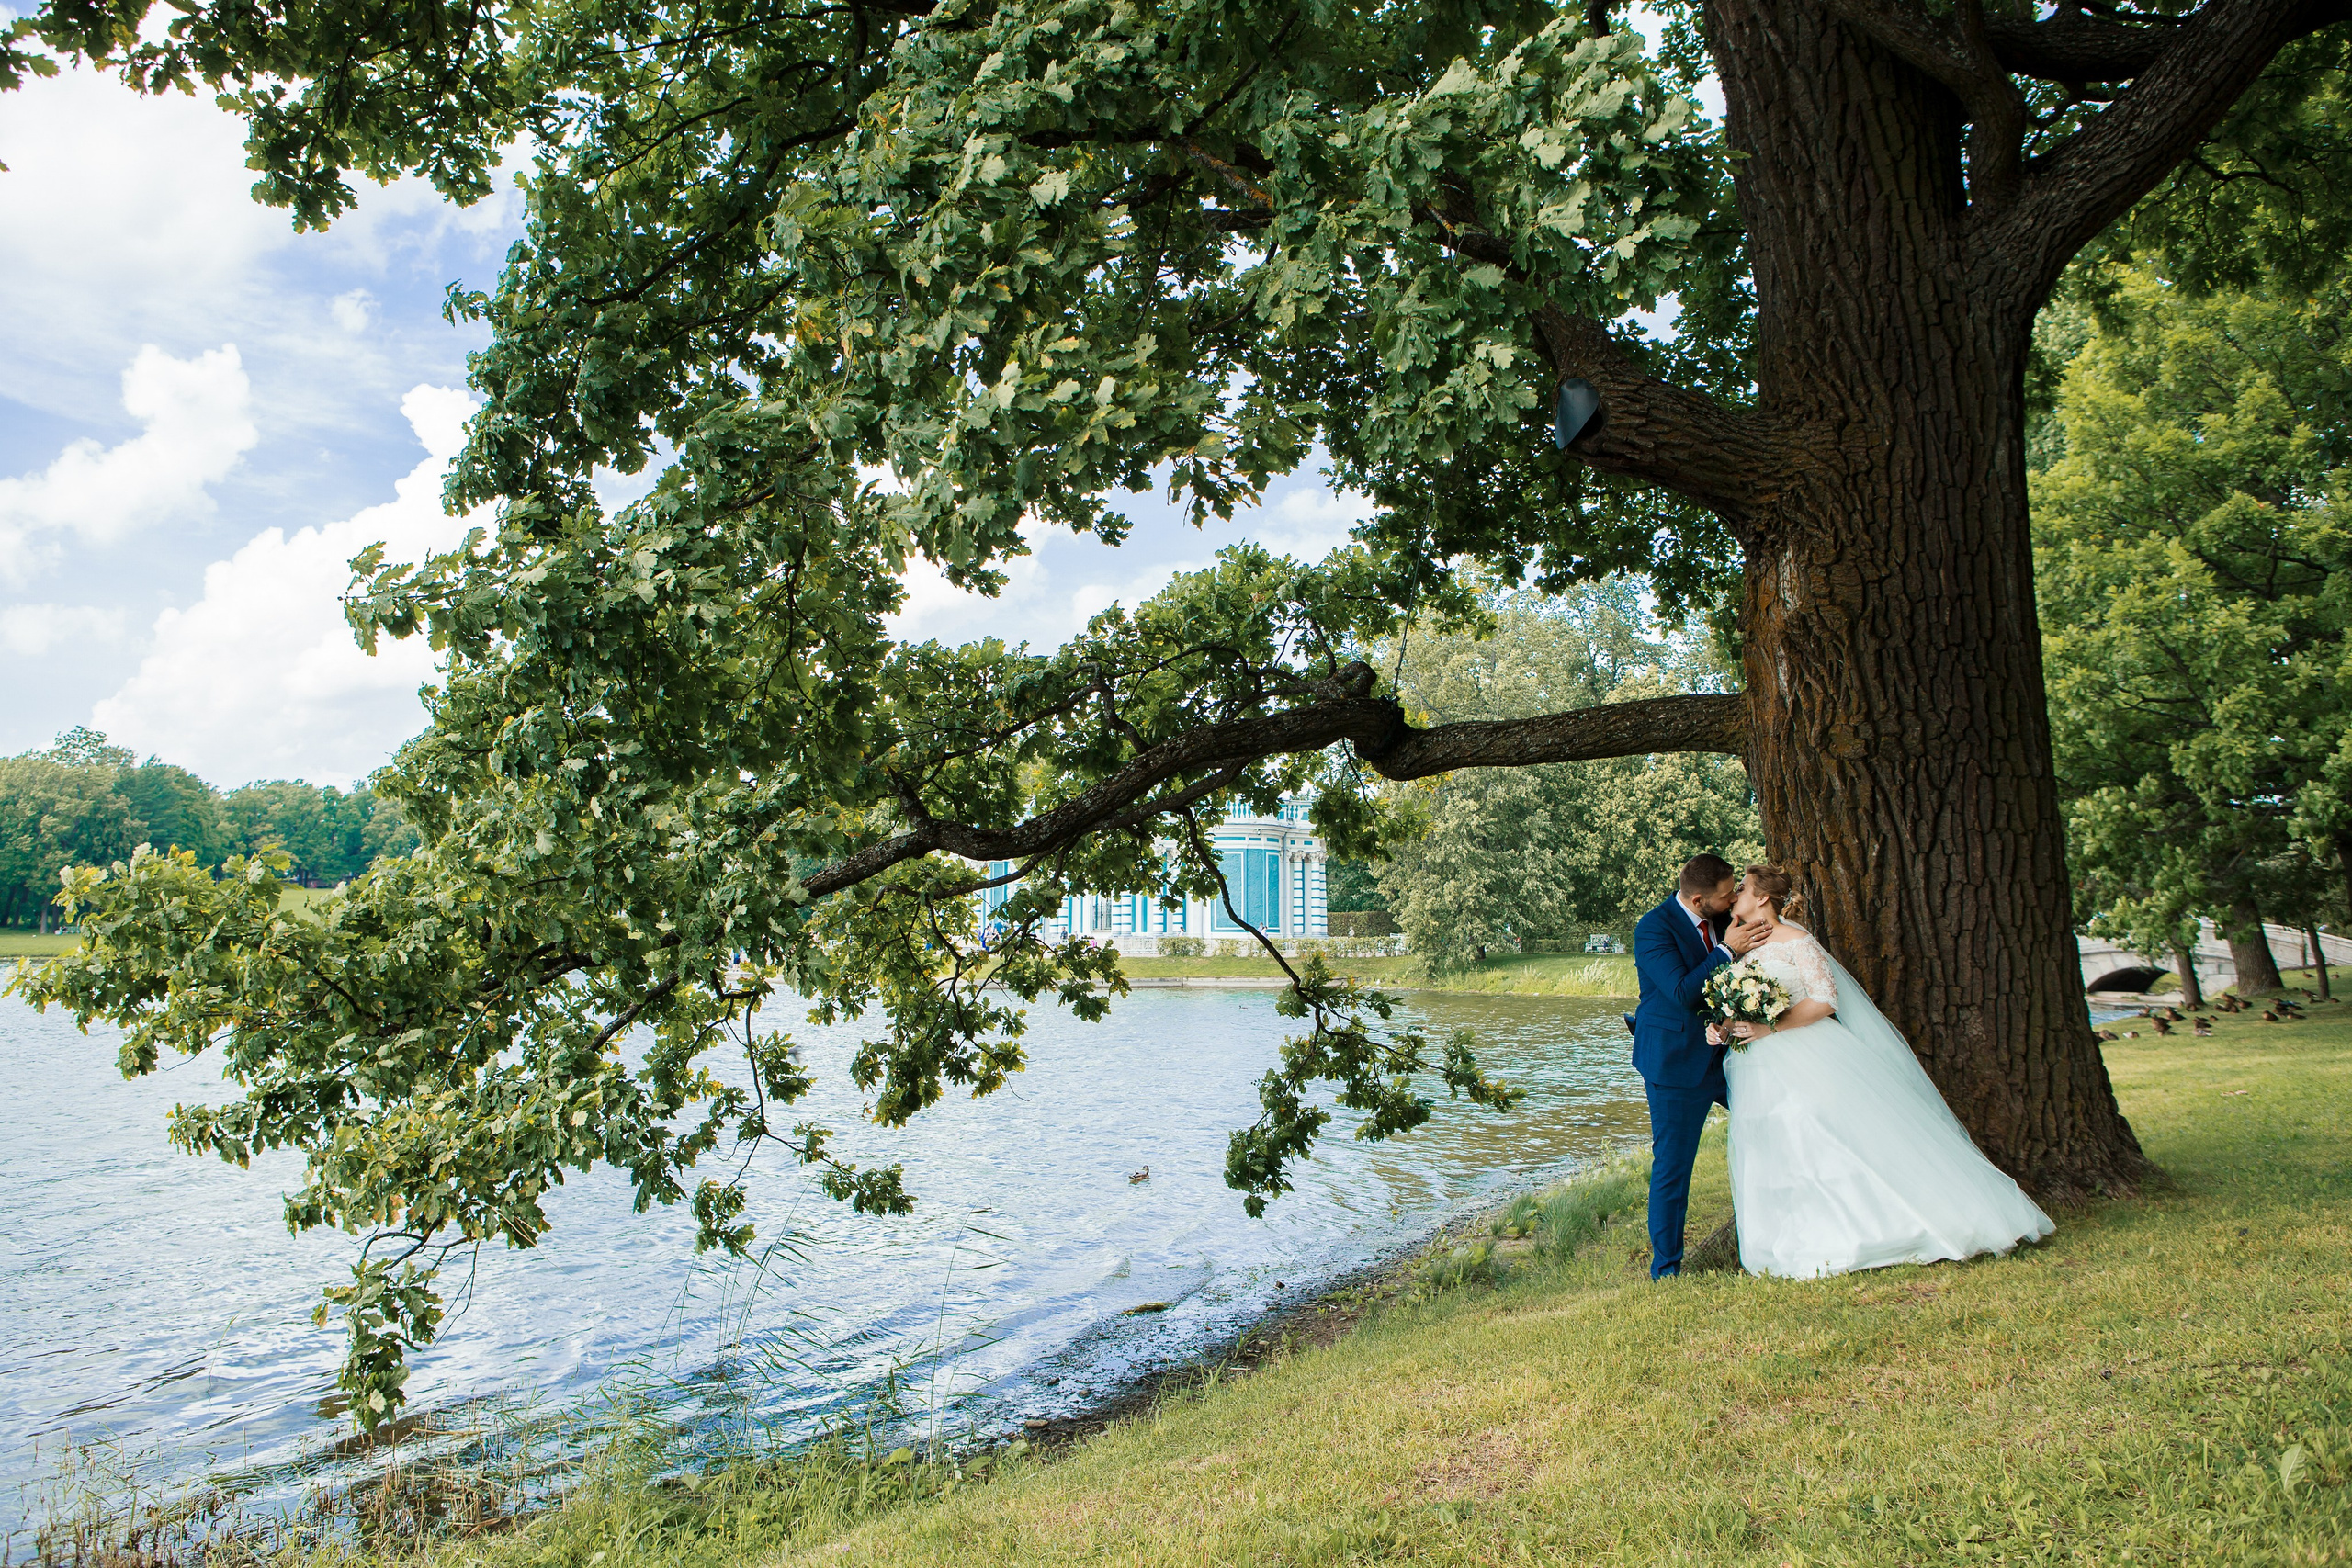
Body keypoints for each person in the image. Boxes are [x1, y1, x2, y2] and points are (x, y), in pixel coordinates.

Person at [1711, 863, 2054, 1276]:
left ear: (1763, 898)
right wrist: (1723, 1027)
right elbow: (1738, 1005)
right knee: (1779, 1145)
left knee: (1823, 1135)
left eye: (1742, 889)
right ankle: (1801, 1241)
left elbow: (1825, 1000)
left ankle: (1881, 1232)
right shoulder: (1743, 950)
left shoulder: (1797, 940)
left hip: (1808, 1054)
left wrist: (1770, 1028)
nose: (1735, 897)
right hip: (1759, 1067)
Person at [1630, 853, 1762, 1278]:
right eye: (1726, 897)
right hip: (1674, 1066)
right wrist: (1726, 951)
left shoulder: (1726, 919)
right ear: (1700, 899)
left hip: (1732, 1056)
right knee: (1673, 1167)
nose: (1733, 901)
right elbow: (1682, 991)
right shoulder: (1654, 928)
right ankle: (1666, 1269)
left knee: (1776, 1125)